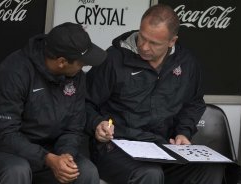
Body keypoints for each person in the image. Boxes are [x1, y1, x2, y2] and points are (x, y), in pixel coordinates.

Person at [85, 4, 225, 184]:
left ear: (171, 41)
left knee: (210, 169)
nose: (144, 46)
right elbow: (84, 102)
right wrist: (97, 124)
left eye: (154, 43)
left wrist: (183, 132)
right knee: (150, 173)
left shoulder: (186, 63)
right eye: (142, 37)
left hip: (163, 146)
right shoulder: (113, 59)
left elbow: (193, 103)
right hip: (115, 146)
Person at [0, 22, 106, 184]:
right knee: (17, 170)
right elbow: (6, 134)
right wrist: (47, 159)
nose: (84, 66)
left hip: (49, 149)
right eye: (81, 63)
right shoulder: (13, 72)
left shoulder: (77, 76)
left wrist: (65, 156)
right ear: (61, 62)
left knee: (86, 171)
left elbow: (73, 128)